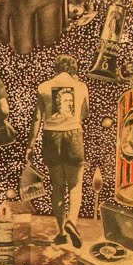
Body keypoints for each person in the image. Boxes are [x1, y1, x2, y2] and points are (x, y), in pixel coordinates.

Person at [28, 54, 91, 248]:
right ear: (73, 70)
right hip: (73, 135)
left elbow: (37, 118)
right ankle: (72, 221)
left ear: (55, 69)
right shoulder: (81, 86)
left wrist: (30, 145)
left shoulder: (43, 87)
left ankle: (62, 233)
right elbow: (85, 114)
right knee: (75, 185)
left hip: (51, 136)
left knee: (57, 186)